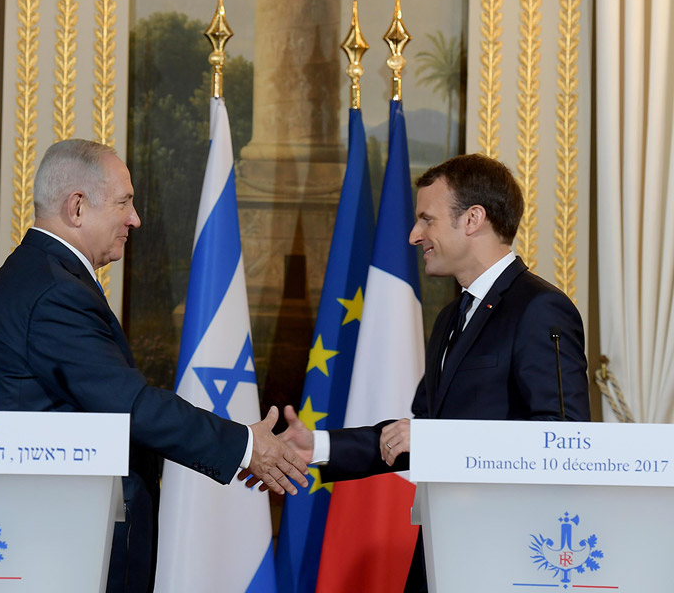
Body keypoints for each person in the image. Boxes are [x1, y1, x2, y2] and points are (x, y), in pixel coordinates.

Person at [0, 139, 308, 593]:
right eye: (124, 202)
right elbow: (130, 406)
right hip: (67, 544)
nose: (135, 219)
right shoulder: (54, 293)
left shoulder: (32, 275)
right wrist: (246, 447)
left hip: (50, 531)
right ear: (77, 207)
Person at [252, 154, 591, 592]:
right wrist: (317, 446)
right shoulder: (451, 317)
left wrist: (439, 440)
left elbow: (563, 441)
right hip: (442, 550)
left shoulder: (540, 308)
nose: (414, 235)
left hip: (506, 558)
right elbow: (411, 436)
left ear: (472, 219)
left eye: (426, 220)